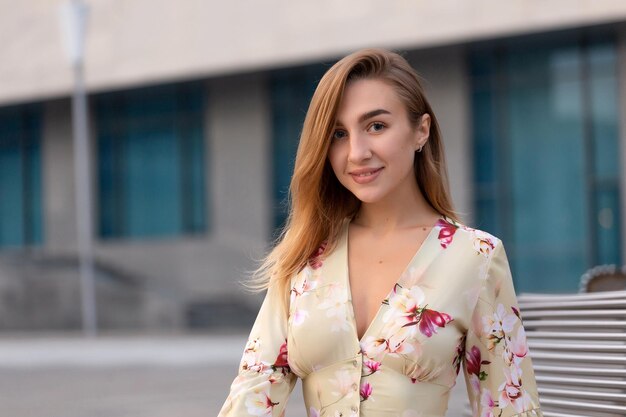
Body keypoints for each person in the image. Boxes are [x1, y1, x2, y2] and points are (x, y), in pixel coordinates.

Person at [218, 48, 542, 417]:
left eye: (376, 126)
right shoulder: (305, 256)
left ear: (421, 130)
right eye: (338, 133)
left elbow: (509, 404)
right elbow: (253, 393)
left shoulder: (475, 257)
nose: (356, 152)